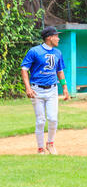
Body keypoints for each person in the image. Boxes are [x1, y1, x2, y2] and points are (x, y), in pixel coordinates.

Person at [20, 26, 70, 154]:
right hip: (37, 90)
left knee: (53, 118)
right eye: (56, 36)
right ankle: (40, 148)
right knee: (41, 120)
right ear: (49, 37)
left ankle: (50, 143)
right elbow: (24, 69)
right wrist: (28, 88)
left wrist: (64, 87)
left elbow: (60, 71)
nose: (58, 38)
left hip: (52, 90)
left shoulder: (58, 53)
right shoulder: (34, 51)